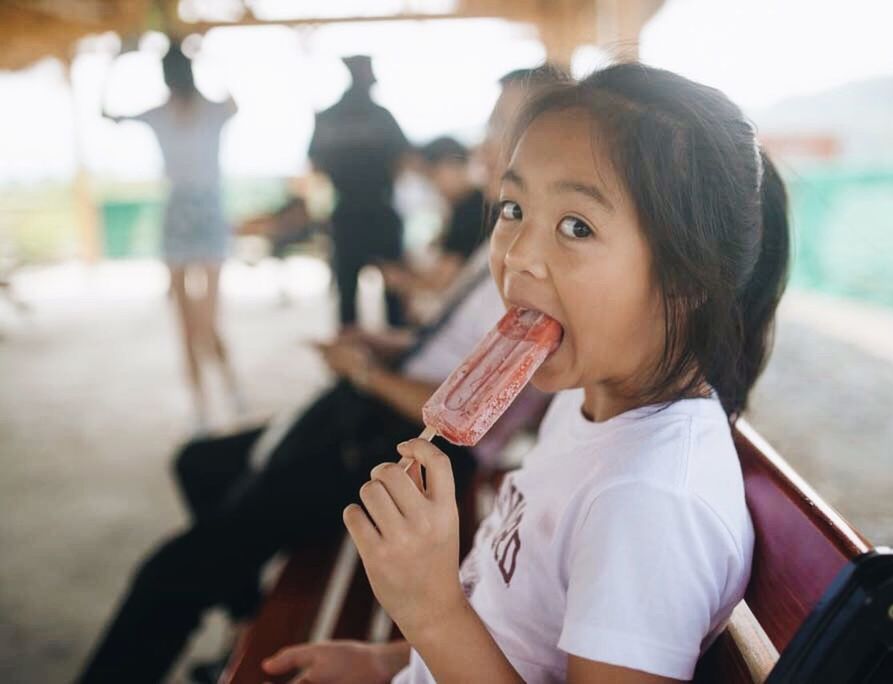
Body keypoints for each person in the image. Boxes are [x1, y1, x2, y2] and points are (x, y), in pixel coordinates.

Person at [262, 62, 791, 683]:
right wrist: (385, 661)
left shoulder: (649, 504)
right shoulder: (585, 402)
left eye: (576, 226)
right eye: (512, 208)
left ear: (688, 278)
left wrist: (431, 613)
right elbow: (514, 623)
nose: (516, 254)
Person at [75, 64, 566, 684]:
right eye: (491, 128)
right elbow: (449, 348)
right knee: (202, 463)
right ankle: (243, 610)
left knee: (170, 571)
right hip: (369, 412)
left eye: (504, 128)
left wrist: (361, 372)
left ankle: (227, 596)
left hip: (409, 449)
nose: (485, 147)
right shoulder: (499, 238)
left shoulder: (536, 269)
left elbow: (468, 417)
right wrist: (381, 343)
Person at [104, 42, 242, 432]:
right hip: (194, 210)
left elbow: (107, 114)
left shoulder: (188, 112)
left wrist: (116, 62)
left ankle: (217, 394)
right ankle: (211, 398)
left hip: (193, 210)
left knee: (199, 319)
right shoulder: (193, 111)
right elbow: (236, 102)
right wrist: (209, 55)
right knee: (197, 319)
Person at [309, 55, 410, 327]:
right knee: (394, 293)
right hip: (380, 210)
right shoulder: (382, 116)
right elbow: (404, 160)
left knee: (346, 297)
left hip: (346, 213)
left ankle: (348, 364)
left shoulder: (329, 117)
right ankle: (394, 359)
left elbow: (315, 166)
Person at [381, 136, 487, 322]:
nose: (433, 187)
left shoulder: (472, 211)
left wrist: (401, 281)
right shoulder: (466, 208)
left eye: (432, 176)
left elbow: (443, 280)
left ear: (449, 166)